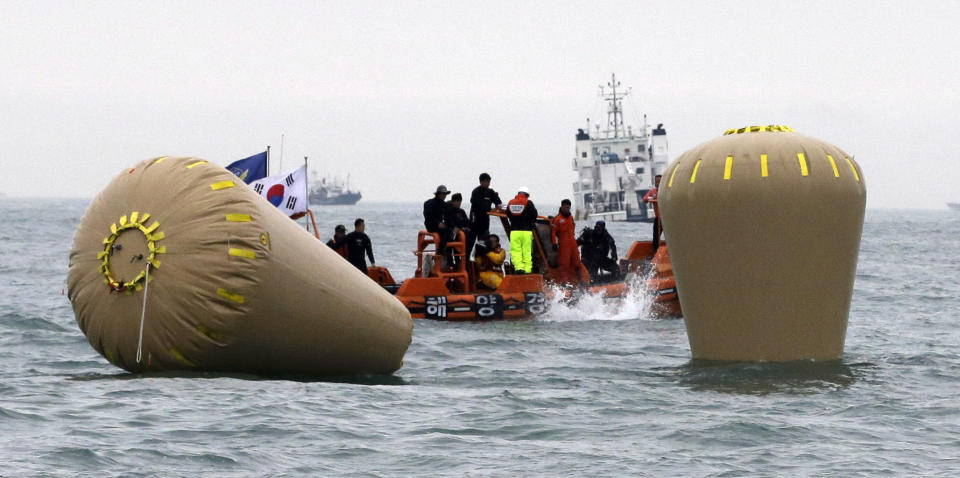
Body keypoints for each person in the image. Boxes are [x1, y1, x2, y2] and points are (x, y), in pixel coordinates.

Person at [468, 173, 502, 258]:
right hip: (474, 222)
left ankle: (480, 263)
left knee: (483, 245)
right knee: (469, 244)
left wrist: (497, 207)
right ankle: (466, 263)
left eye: (489, 181)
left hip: (484, 223)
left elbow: (499, 203)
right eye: (486, 181)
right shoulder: (476, 192)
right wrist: (490, 209)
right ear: (481, 182)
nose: (488, 183)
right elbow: (479, 204)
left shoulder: (490, 192)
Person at [505, 186, 538, 274]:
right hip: (526, 232)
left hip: (514, 231)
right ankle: (527, 270)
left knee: (516, 251)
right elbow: (534, 214)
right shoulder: (529, 202)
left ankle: (519, 268)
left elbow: (507, 214)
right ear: (527, 195)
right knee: (526, 251)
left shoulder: (510, 202)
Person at [550, 199, 582, 285]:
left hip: (572, 242)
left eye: (569, 207)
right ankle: (565, 283)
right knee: (564, 264)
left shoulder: (570, 217)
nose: (567, 209)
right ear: (562, 207)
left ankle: (580, 281)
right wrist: (554, 243)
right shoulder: (557, 219)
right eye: (566, 207)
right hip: (564, 244)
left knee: (577, 262)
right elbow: (553, 232)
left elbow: (573, 227)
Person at [642, 174, 662, 254]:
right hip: (658, 219)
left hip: (667, 219)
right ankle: (655, 253)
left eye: (660, 182)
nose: (658, 184)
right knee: (656, 237)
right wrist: (651, 198)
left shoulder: (667, 190)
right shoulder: (653, 192)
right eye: (657, 182)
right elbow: (644, 199)